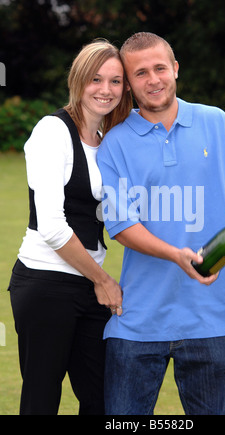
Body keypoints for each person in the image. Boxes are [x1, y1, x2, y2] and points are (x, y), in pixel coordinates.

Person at [96, 32, 225, 416]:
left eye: (160, 68)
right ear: (128, 83)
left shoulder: (218, 123)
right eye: (140, 73)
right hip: (138, 319)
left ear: (175, 69)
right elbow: (122, 224)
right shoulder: (115, 143)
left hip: (212, 314)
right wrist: (176, 255)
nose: (153, 79)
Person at [8, 40, 132, 415]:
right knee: (42, 400)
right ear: (78, 79)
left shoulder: (108, 139)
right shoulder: (52, 131)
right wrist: (103, 280)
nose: (106, 90)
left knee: (102, 398)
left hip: (85, 283)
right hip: (46, 283)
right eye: (96, 79)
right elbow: (52, 227)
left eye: (115, 81)